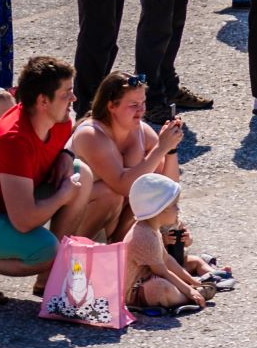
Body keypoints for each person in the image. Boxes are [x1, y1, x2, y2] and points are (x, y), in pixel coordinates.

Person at [0, 57, 91, 294]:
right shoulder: (13, 140)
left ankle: (49, 280)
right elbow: (24, 221)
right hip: (5, 212)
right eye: (66, 93)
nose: (74, 99)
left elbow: (67, 140)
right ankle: (52, 264)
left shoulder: (58, 121)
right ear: (43, 101)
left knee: (81, 173)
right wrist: (62, 195)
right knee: (47, 250)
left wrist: (66, 154)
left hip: (5, 205)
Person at [59, 72, 181, 242]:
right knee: (111, 194)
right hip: (68, 214)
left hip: (110, 217)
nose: (141, 110)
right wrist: (161, 148)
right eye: (133, 105)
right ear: (111, 106)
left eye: (143, 103)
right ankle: (78, 251)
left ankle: (121, 250)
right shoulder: (91, 135)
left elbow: (167, 187)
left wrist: (170, 150)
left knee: (150, 194)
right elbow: (122, 186)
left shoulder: (141, 130)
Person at [122, 172, 212, 314]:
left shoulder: (151, 228)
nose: (178, 209)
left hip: (149, 279)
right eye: (174, 205)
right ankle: (187, 298)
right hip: (135, 293)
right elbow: (163, 272)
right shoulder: (144, 235)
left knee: (166, 282)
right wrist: (188, 290)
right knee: (160, 288)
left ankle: (193, 289)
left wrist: (191, 281)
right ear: (160, 210)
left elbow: (167, 260)